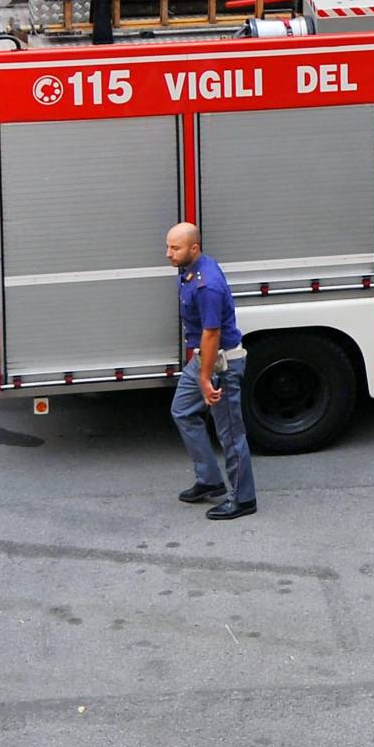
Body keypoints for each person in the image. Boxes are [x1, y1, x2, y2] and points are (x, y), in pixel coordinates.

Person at [165, 222, 257, 522]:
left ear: (194, 248)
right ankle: (210, 480)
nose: (168, 253)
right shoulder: (193, 269)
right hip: (204, 358)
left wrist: (205, 378)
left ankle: (244, 499)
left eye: (174, 248)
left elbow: (211, 333)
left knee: (230, 433)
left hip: (219, 363)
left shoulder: (207, 285)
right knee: (182, 411)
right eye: (168, 246)